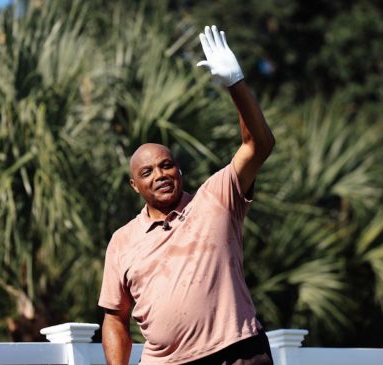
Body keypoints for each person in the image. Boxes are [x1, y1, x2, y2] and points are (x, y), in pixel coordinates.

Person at [98, 25, 275, 365]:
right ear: (135, 186)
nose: (160, 174)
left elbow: (258, 144)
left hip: (237, 354)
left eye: (166, 165)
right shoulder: (122, 241)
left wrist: (235, 83)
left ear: (178, 170)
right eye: (147, 172)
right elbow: (115, 317)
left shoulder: (216, 199)